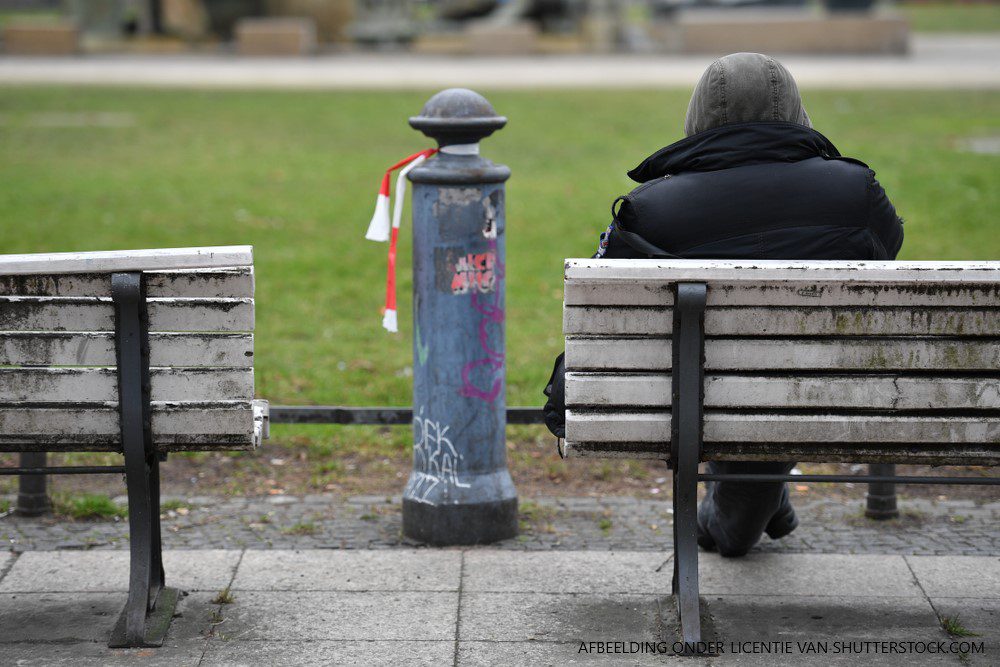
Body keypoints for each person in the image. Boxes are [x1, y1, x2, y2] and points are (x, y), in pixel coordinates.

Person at [543, 52, 904, 557]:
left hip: (698, 399)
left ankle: (750, 503)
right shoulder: (855, 191)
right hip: (823, 388)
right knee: (769, 374)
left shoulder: (653, 208)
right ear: (798, 112)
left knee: (712, 375)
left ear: (698, 117)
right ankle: (763, 495)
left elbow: (609, 312)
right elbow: (887, 260)